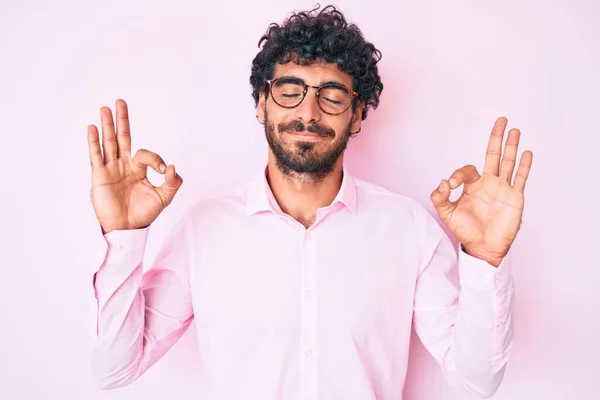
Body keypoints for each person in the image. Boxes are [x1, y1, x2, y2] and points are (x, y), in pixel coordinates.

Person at [86, 5, 533, 400]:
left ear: (357, 114)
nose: (309, 112)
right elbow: (115, 369)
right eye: (289, 90)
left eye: (332, 96)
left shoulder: (408, 227)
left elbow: (478, 380)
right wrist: (123, 238)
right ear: (262, 103)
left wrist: (484, 259)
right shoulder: (203, 229)